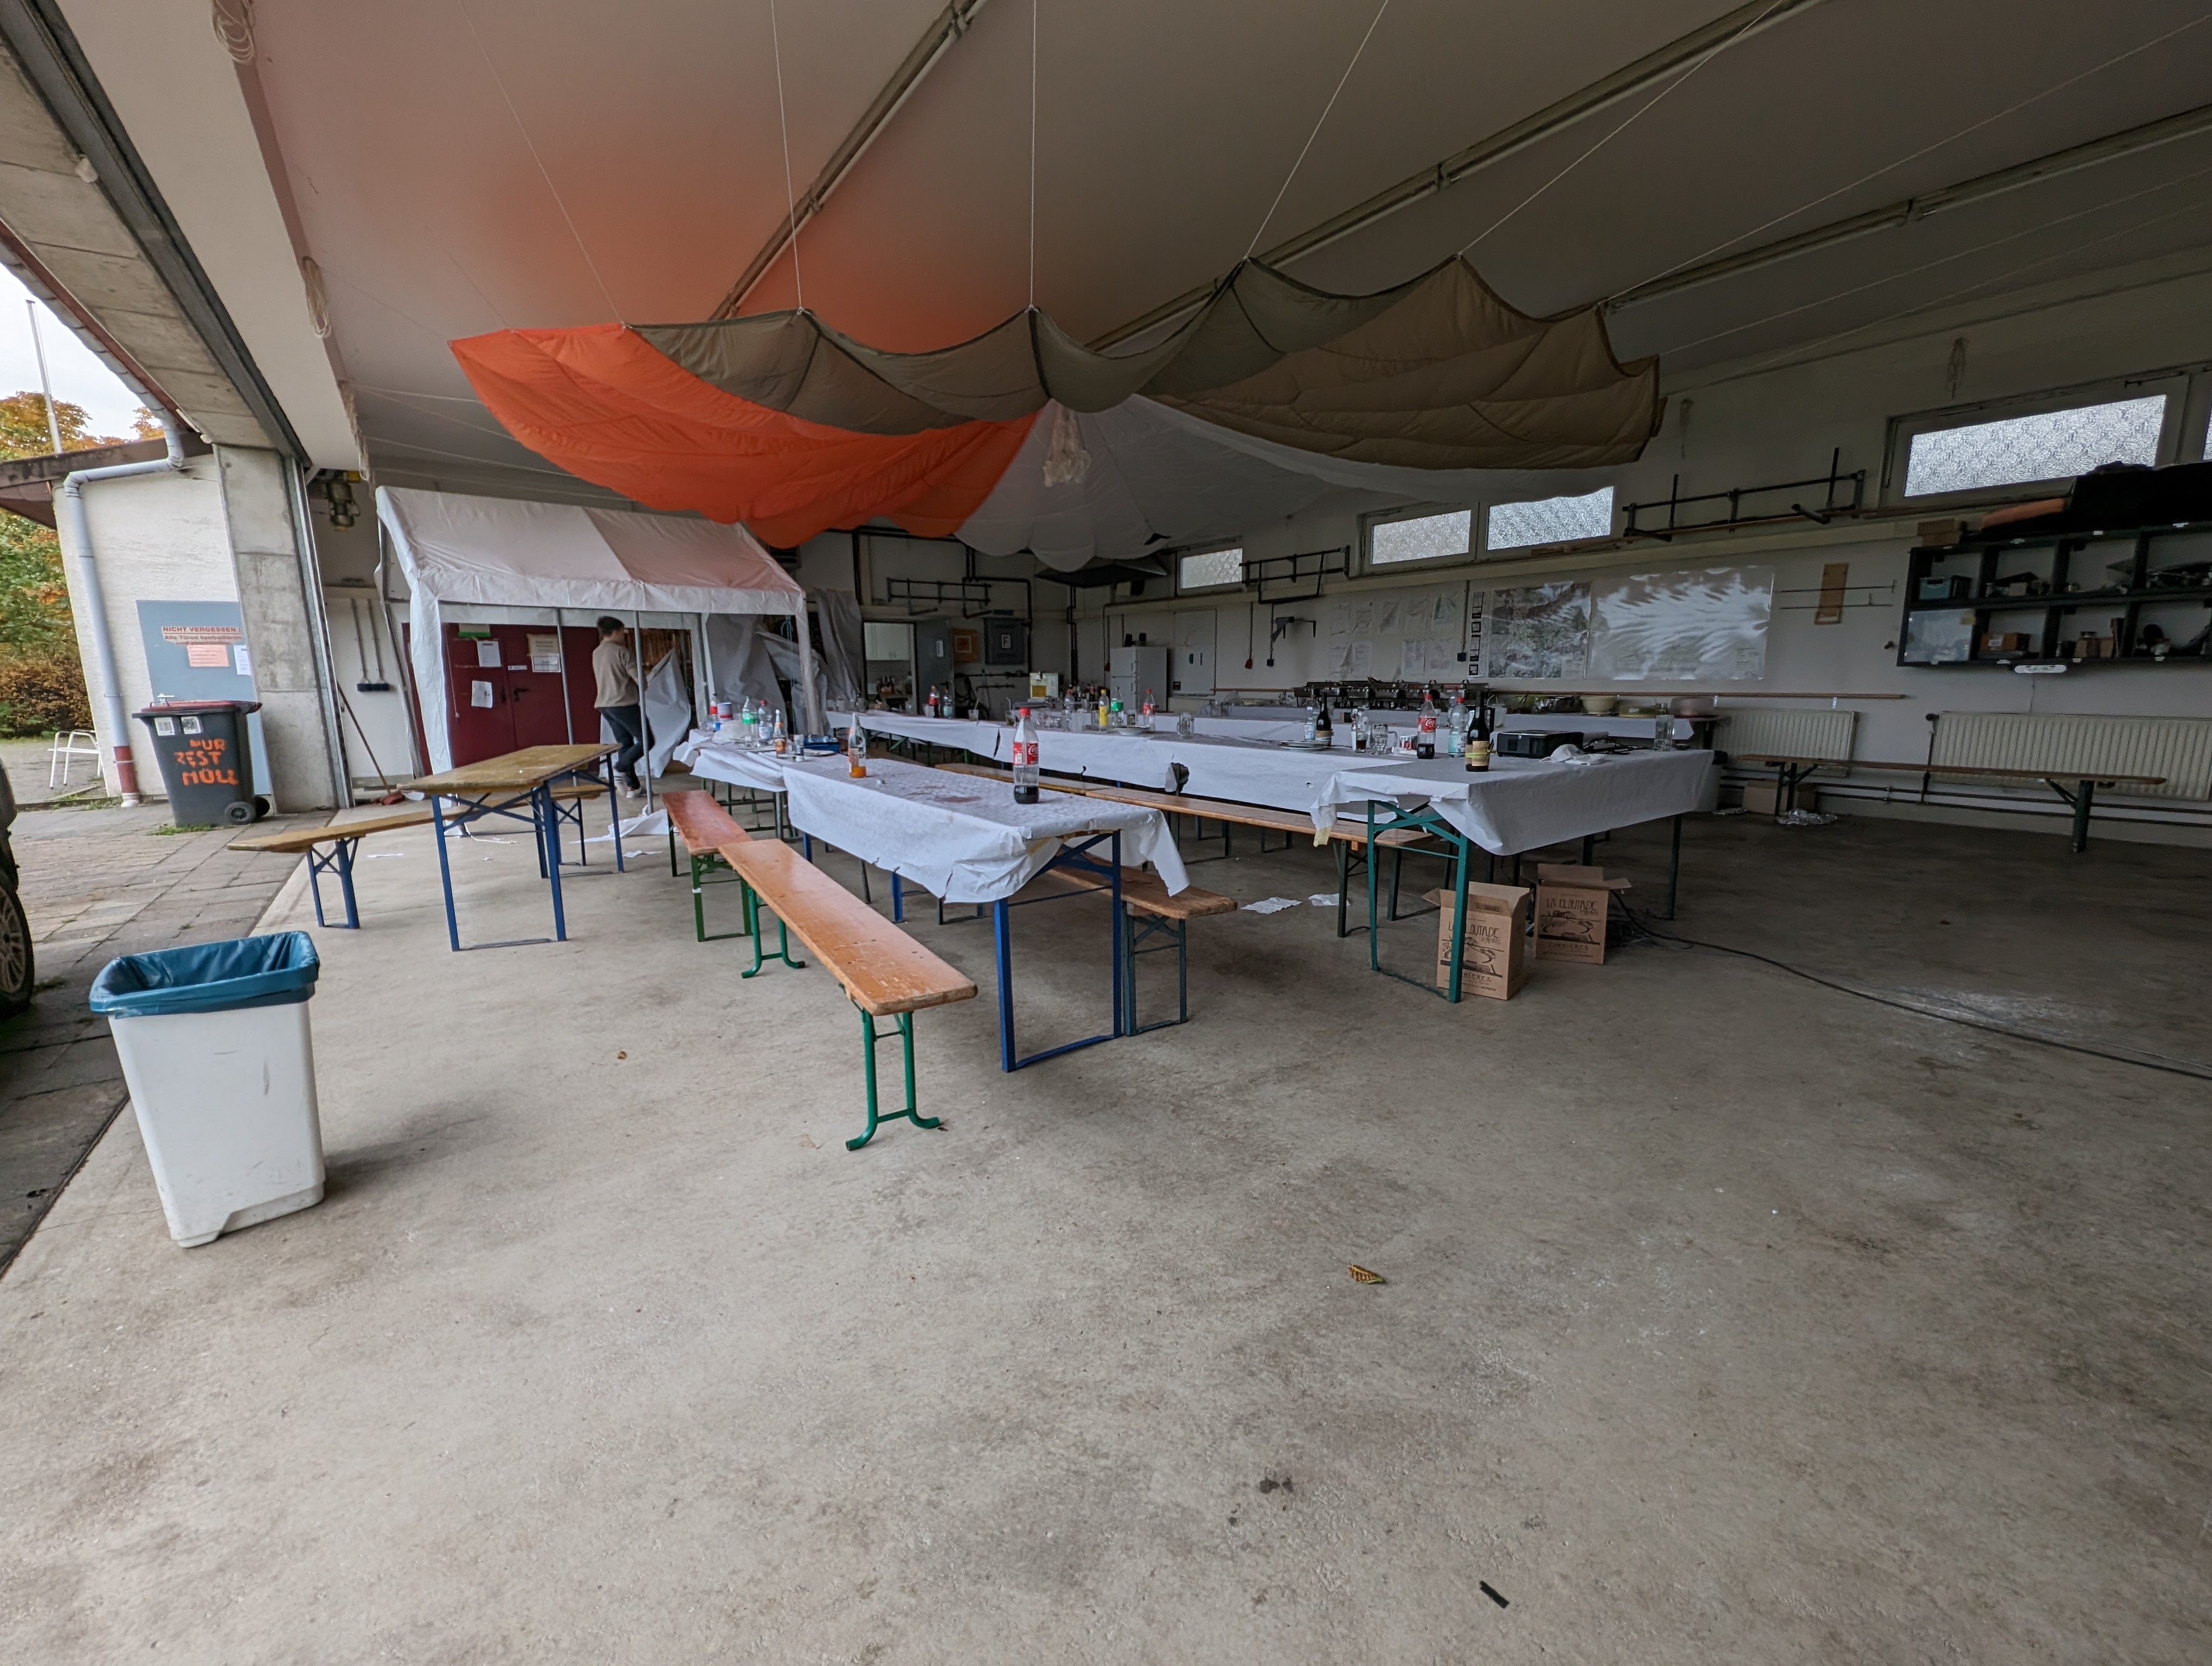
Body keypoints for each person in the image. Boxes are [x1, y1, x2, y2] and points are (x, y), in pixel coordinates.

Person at [593, 616, 645, 797]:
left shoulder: (597, 652)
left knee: (625, 743)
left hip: (605, 705)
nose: (624, 636)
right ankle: (620, 768)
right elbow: (640, 680)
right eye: (623, 632)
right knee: (647, 740)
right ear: (616, 632)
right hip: (624, 703)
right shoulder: (622, 652)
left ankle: (633, 787)